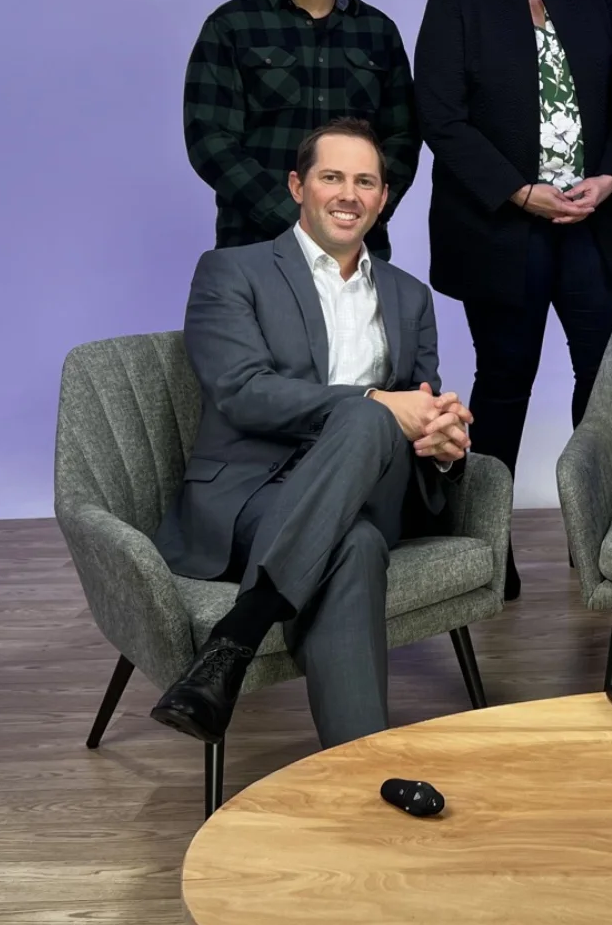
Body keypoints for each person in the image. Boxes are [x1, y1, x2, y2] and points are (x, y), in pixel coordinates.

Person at [150, 119, 471, 748]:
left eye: (365, 181)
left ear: (383, 198)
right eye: (332, 177)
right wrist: (378, 402)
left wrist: (442, 447)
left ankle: (235, 640)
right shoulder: (231, 271)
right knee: (353, 545)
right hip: (251, 496)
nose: (348, 194)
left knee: (372, 422)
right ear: (299, 186)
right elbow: (241, 390)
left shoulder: (411, 297)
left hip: (371, 484)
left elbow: (425, 407)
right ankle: (363, 770)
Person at [414, 0, 612, 600]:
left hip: (592, 223)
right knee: (505, 385)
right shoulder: (455, 1)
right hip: (503, 228)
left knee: (602, 386)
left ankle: (595, 534)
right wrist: (520, 192)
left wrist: (610, 176)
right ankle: (489, 543)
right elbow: (440, 117)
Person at [185, 0, 419, 255]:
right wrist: (296, 222)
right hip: (255, 247)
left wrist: (362, 212)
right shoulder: (231, 26)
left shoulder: (379, 32)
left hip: (356, 249)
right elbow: (209, 140)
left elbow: (402, 137)